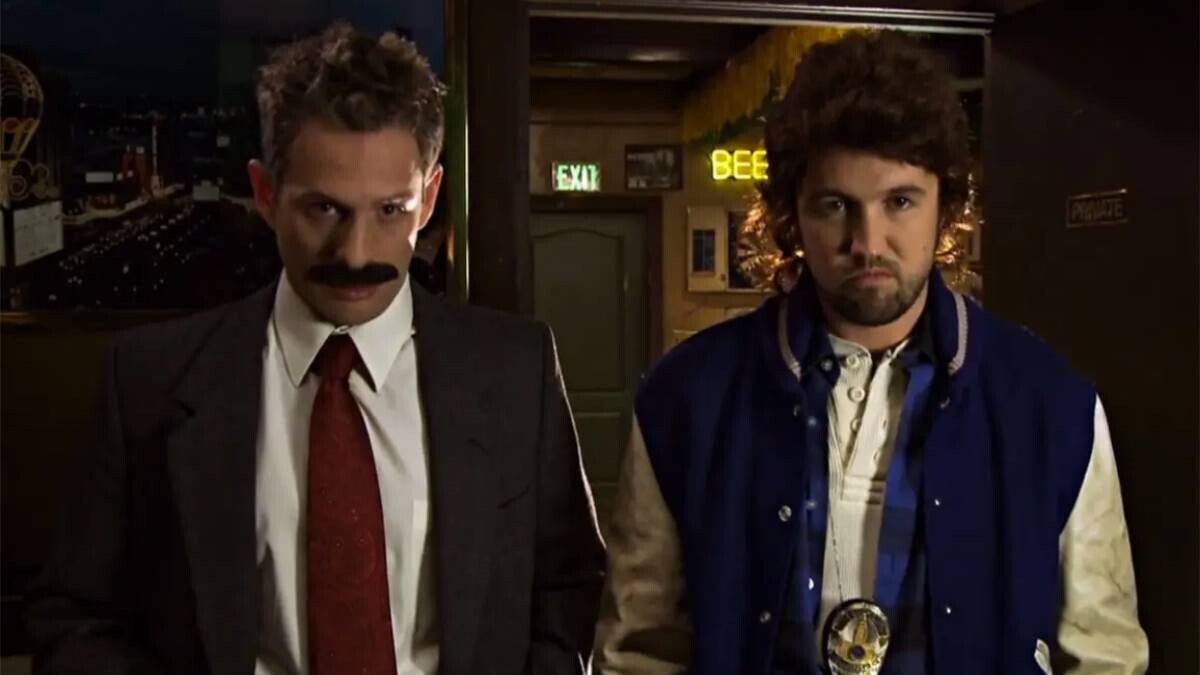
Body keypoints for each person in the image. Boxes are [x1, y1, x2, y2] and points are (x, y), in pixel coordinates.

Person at [27, 22, 605, 675]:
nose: (355, 254)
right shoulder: (149, 380)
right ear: (266, 195)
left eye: (390, 211)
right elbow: (70, 618)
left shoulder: (517, 369)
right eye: (324, 210)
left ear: (429, 199)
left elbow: (570, 589)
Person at [593, 31, 1147, 675]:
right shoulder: (688, 397)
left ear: (946, 206)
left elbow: (1104, 656)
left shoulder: (1050, 403)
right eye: (836, 206)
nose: (868, 242)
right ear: (792, 214)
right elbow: (640, 651)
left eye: (899, 202)